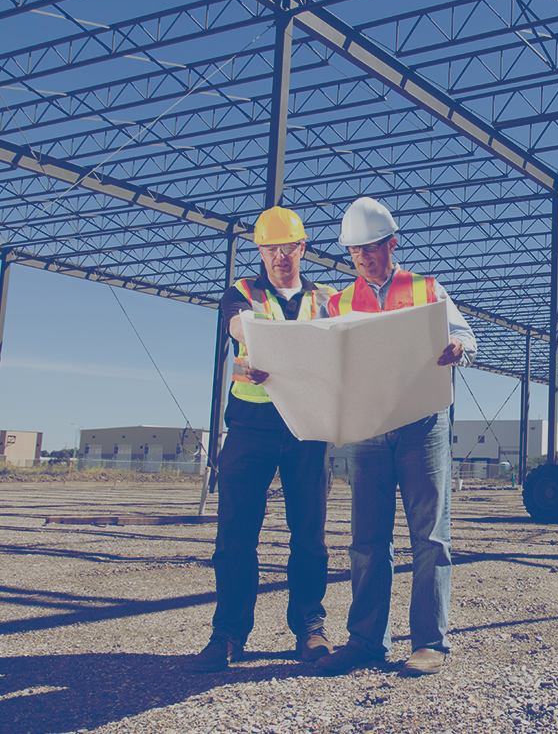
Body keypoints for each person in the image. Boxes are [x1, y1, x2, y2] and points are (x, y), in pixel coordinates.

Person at [315, 197, 476, 677]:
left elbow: (468, 337)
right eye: (354, 251)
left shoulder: (427, 289)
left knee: (430, 536)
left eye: (370, 248)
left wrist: (457, 346)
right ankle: (366, 641)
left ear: (392, 244)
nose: (362, 257)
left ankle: (429, 642)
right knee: (367, 539)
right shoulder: (337, 303)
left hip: (423, 423)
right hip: (368, 427)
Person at [191, 206, 337, 673]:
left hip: (306, 428)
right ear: (259, 251)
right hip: (250, 427)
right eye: (270, 248)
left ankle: (310, 628)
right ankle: (228, 634)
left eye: (287, 247)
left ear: (302, 248)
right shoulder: (242, 292)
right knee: (235, 536)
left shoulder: (327, 299)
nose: (279, 256)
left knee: (309, 537)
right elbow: (238, 324)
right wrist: (254, 341)